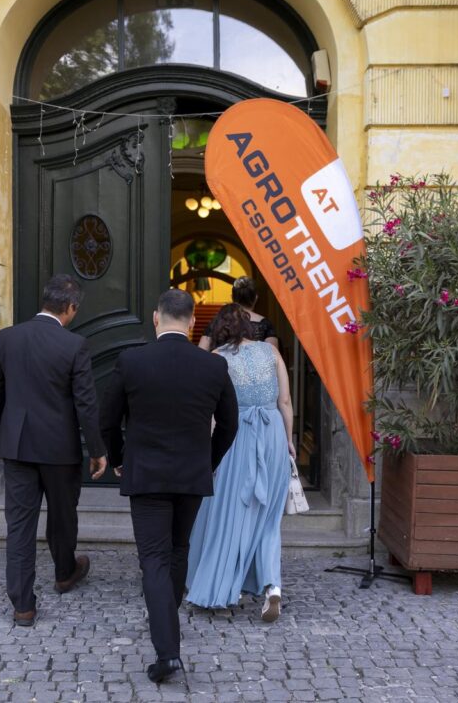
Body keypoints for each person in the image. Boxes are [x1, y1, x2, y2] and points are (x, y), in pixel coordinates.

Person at [101, 289, 239, 684]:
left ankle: (167, 652)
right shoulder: (213, 366)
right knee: (178, 550)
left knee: (154, 559)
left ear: (155, 318)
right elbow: (230, 425)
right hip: (191, 475)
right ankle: (167, 620)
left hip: (146, 474)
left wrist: (119, 458)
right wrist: (207, 462)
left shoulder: (132, 361)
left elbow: (107, 420)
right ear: (193, 321)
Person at [0, 274, 108, 628]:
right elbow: (86, 404)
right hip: (59, 448)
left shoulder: (7, 338)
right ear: (70, 308)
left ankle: (23, 605)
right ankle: (64, 573)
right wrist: (97, 450)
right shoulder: (75, 345)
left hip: (17, 445)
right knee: (63, 517)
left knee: (19, 525)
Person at [186, 303, 295, 622]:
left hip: (236, 438)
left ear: (218, 329)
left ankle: (223, 588)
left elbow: (211, 412)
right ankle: (273, 586)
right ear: (248, 326)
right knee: (268, 520)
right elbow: (285, 401)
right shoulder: (270, 352)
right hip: (272, 434)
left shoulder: (216, 359)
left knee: (229, 515)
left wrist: (207, 449)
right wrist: (289, 441)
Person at [198, 276, 278, 351]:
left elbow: (201, 351)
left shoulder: (218, 322)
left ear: (232, 297)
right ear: (255, 298)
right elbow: (273, 355)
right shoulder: (265, 324)